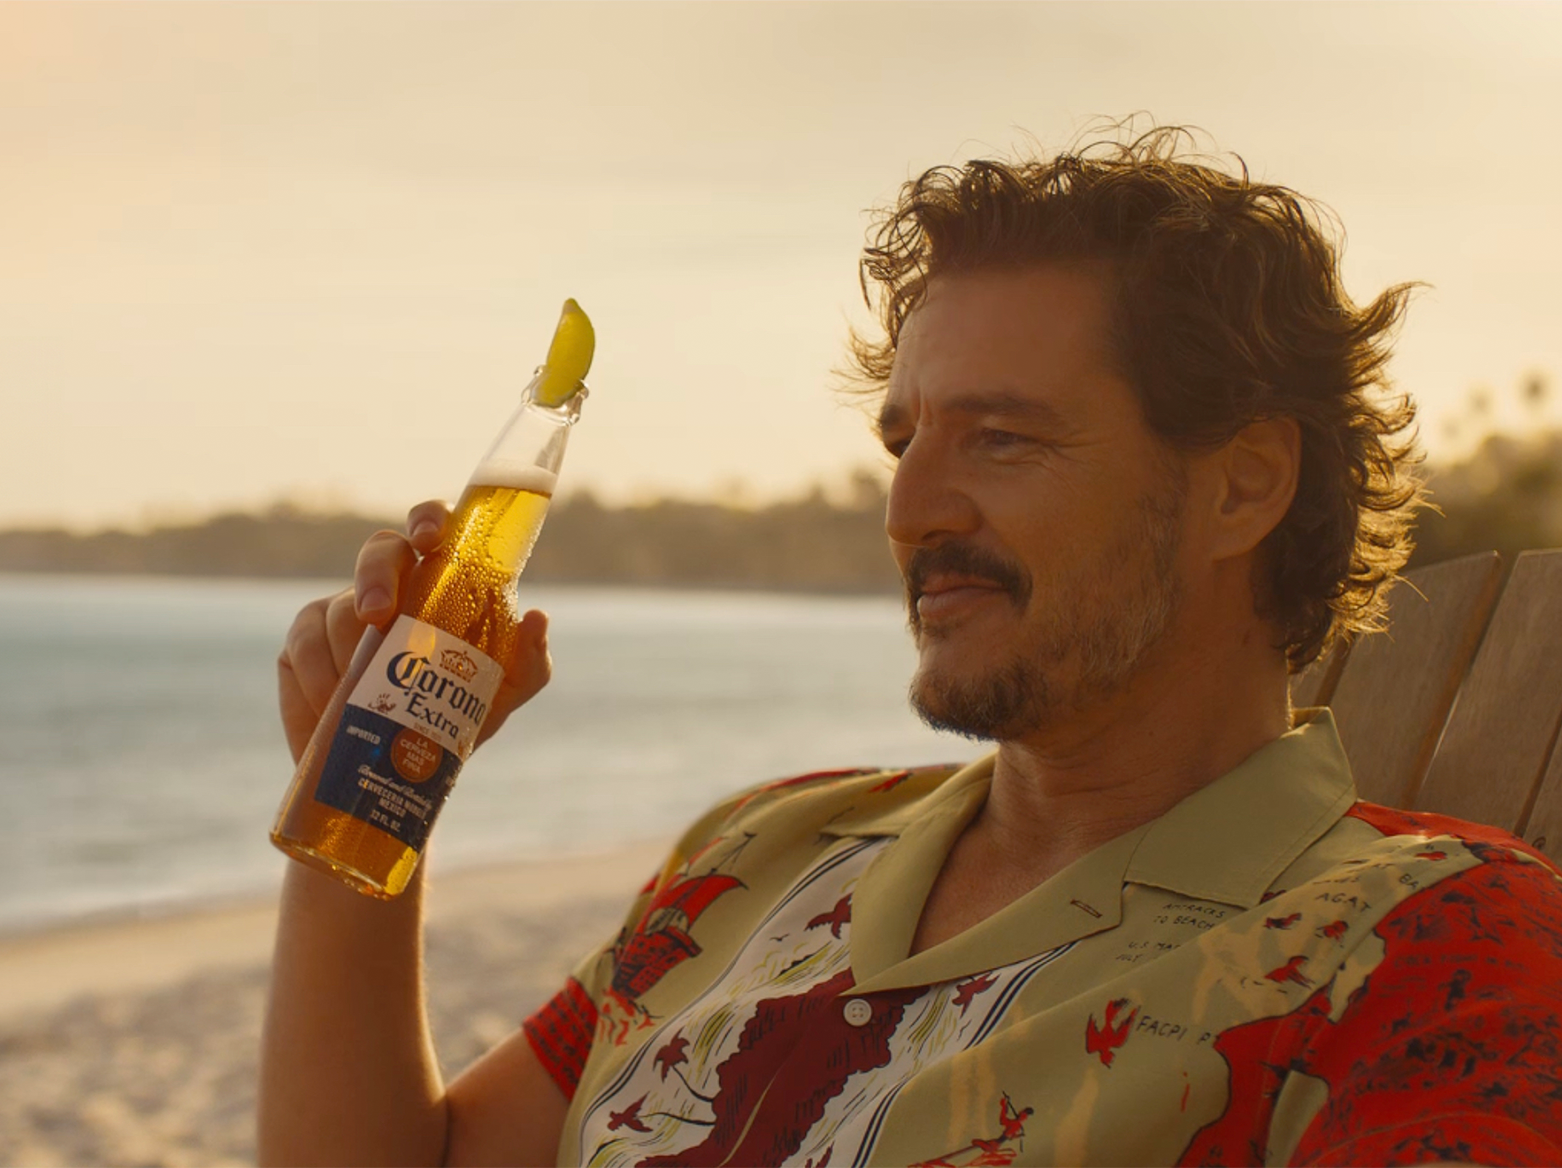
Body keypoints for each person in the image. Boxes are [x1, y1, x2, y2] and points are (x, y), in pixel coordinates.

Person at [258, 128, 1562, 1168]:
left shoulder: (1429, 946)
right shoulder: (758, 858)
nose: (909, 512)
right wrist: (371, 796)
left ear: (1241, 486)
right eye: (903, 442)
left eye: (1001, 438)